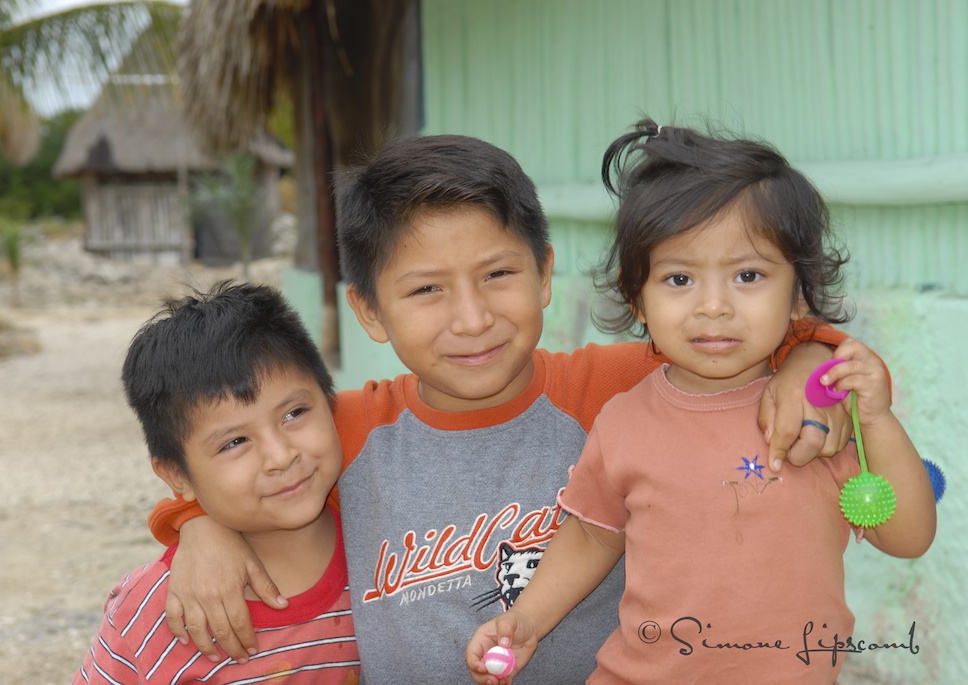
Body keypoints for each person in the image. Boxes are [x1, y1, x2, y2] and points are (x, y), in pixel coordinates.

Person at [147, 134, 862, 683]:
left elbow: (747, 343)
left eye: (498, 274)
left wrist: (807, 359)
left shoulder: (615, 389)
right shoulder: (352, 429)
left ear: (544, 273)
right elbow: (247, 453)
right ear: (368, 310)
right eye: (426, 290)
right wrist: (197, 524)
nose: (472, 318)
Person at [465, 120, 937, 685]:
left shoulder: (810, 416)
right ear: (637, 297)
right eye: (679, 279)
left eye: (748, 275)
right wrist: (528, 619)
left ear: (799, 294)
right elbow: (593, 533)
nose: (713, 306)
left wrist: (877, 420)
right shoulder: (625, 420)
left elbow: (908, 536)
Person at [72, 282, 360, 684]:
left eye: (294, 413)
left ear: (329, 399)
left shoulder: (394, 548)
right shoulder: (154, 613)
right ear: (177, 475)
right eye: (235, 442)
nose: (281, 456)